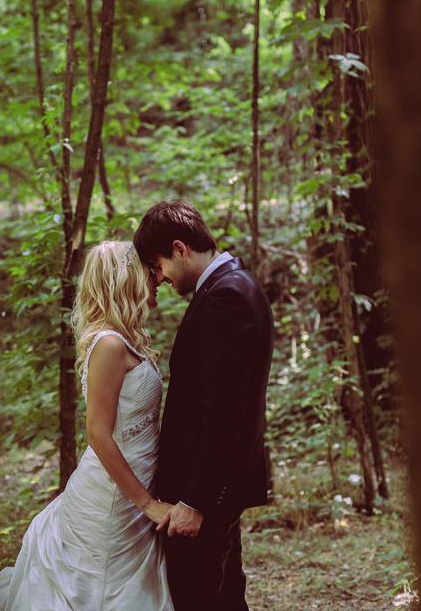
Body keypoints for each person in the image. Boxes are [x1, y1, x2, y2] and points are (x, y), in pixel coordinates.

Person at [0, 240, 175, 610]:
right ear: (124, 279)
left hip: (135, 482)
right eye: (147, 271)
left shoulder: (127, 341)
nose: (156, 278)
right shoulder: (109, 345)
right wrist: (148, 504)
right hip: (115, 497)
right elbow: (98, 434)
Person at [134, 200, 274, 611]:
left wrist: (196, 501)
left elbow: (226, 414)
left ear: (180, 248)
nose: (159, 280)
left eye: (158, 267)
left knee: (201, 598)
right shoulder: (236, 283)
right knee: (225, 594)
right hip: (216, 489)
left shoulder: (224, 298)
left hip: (204, 495)